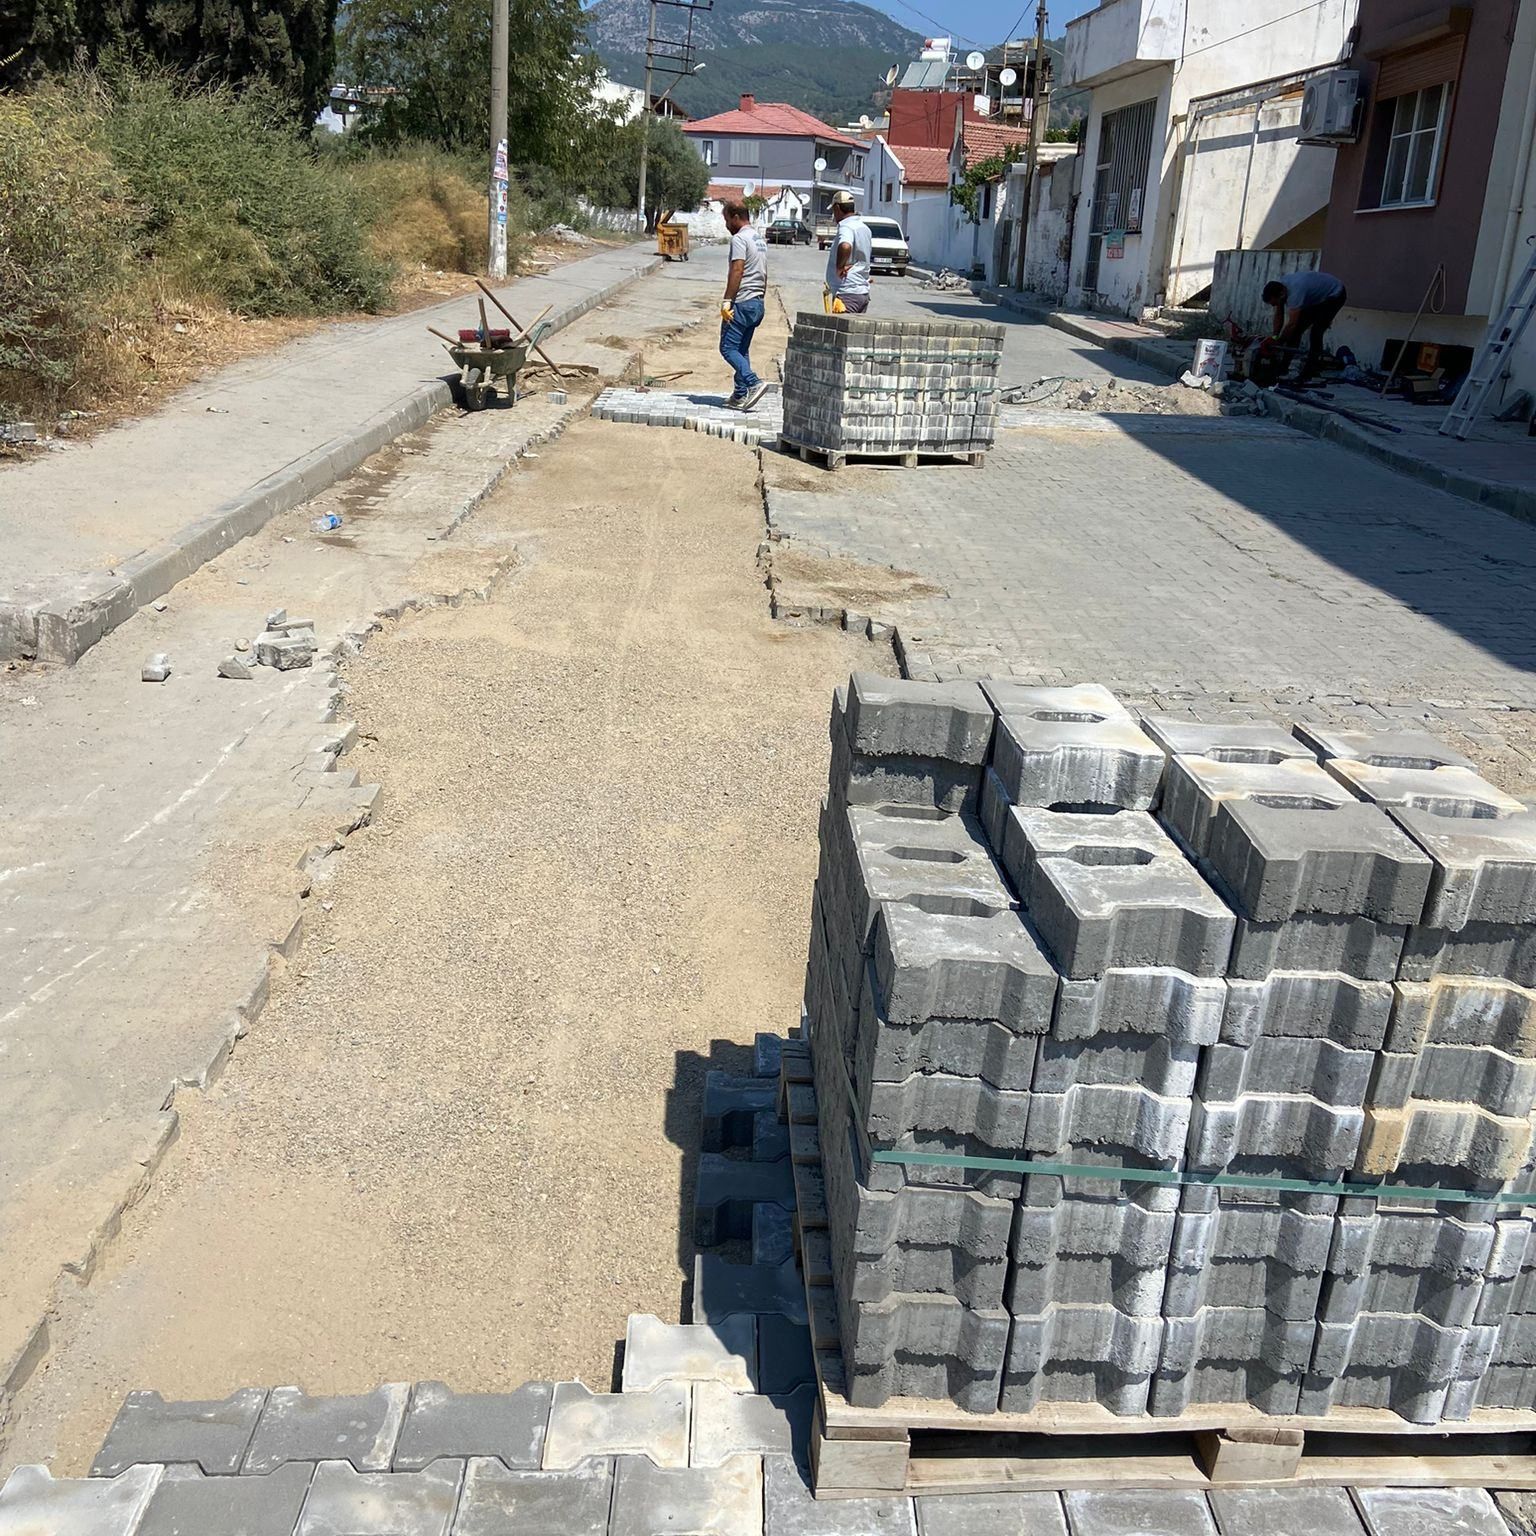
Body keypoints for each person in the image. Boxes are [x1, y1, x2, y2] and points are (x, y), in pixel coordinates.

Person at [719, 202, 771, 411]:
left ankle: (753, 382)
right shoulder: (759, 239)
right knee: (741, 349)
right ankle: (740, 394)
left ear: (735, 216)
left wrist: (727, 300)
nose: (726, 225)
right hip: (757, 302)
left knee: (727, 348)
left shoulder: (739, 238)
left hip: (742, 301)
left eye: (727, 220)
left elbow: (737, 270)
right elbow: (764, 272)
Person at [1263, 270, 1347, 384]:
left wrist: (1280, 342)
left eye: (1275, 302)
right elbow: (1279, 315)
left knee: (1316, 332)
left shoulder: (1295, 293)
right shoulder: (1281, 288)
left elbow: (1291, 324)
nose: (1275, 305)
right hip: (1317, 298)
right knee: (1296, 332)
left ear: (1282, 294)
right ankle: (1283, 368)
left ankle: (1309, 372)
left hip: (1335, 295)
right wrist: (1274, 337)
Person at [825, 190, 872, 314]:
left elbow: (845, 246)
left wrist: (839, 268)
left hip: (847, 293)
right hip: (861, 292)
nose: (834, 215)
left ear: (837, 208)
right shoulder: (864, 228)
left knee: (839, 331)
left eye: (834, 211)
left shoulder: (846, 227)